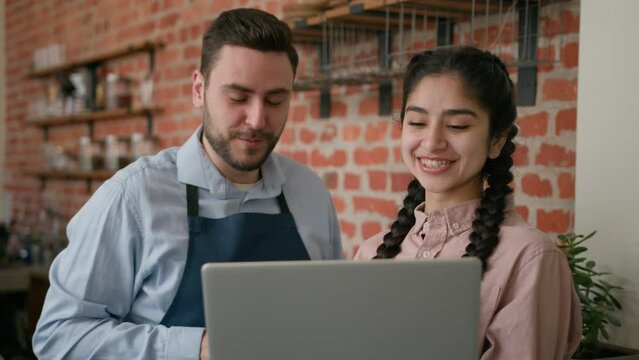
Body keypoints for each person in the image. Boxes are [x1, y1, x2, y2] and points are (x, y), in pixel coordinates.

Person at [33, 8, 343, 360]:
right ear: (199, 89)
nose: (257, 119)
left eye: (275, 100)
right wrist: (197, 347)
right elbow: (60, 337)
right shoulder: (133, 197)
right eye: (238, 98)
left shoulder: (310, 194)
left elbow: (328, 320)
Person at [354, 46, 581, 359]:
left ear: (496, 140)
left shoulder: (530, 259)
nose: (432, 142)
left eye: (457, 126)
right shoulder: (370, 253)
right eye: (417, 123)